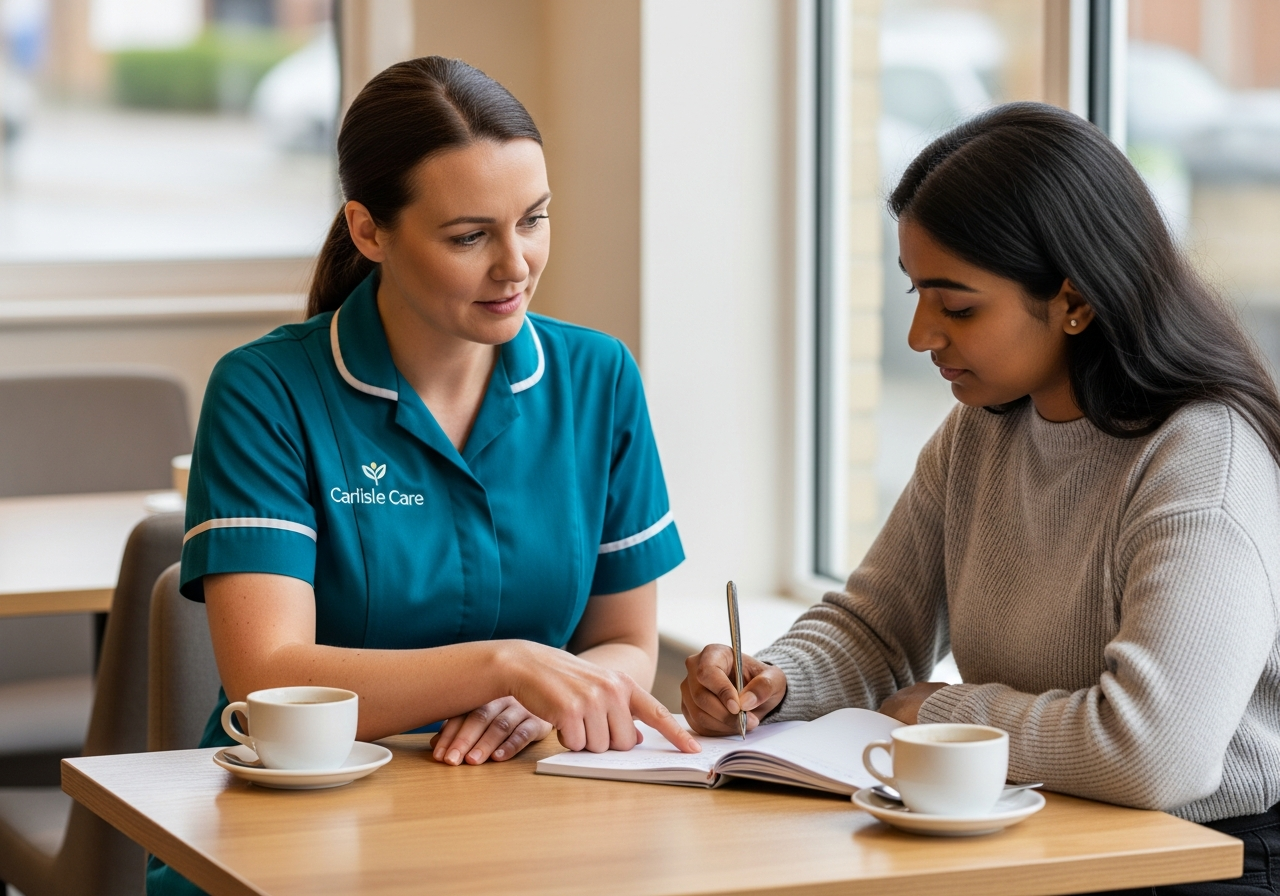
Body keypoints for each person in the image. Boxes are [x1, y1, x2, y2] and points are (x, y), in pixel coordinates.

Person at [682, 103, 1280, 895]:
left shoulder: (1203, 459)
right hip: (1043, 836)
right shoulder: (983, 430)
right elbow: (875, 630)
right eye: (916, 295)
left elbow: (1155, 750)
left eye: (957, 305)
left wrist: (946, 714)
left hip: (1198, 860)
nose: (920, 335)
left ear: (1075, 299)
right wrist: (775, 681)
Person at [148, 56, 697, 896]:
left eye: (536, 219)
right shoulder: (265, 390)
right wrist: (505, 665)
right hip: (288, 833)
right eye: (470, 236)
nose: (516, 265)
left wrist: (536, 700)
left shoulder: (599, 377)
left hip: (524, 818)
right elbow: (269, 673)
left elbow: (624, 642)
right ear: (369, 231)